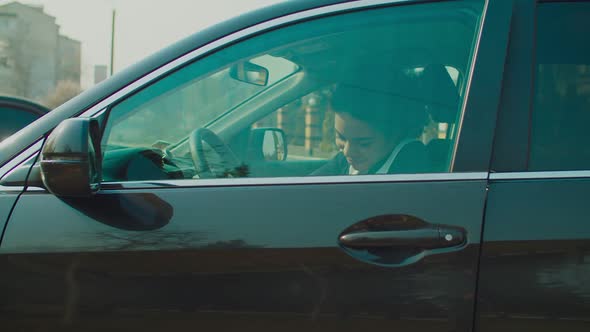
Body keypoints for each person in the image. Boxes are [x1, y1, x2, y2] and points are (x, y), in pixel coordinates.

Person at [312, 85, 429, 176]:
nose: (347, 152)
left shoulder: (412, 169)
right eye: (341, 138)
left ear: (396, 135)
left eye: (364, 144)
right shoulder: (344, 161)